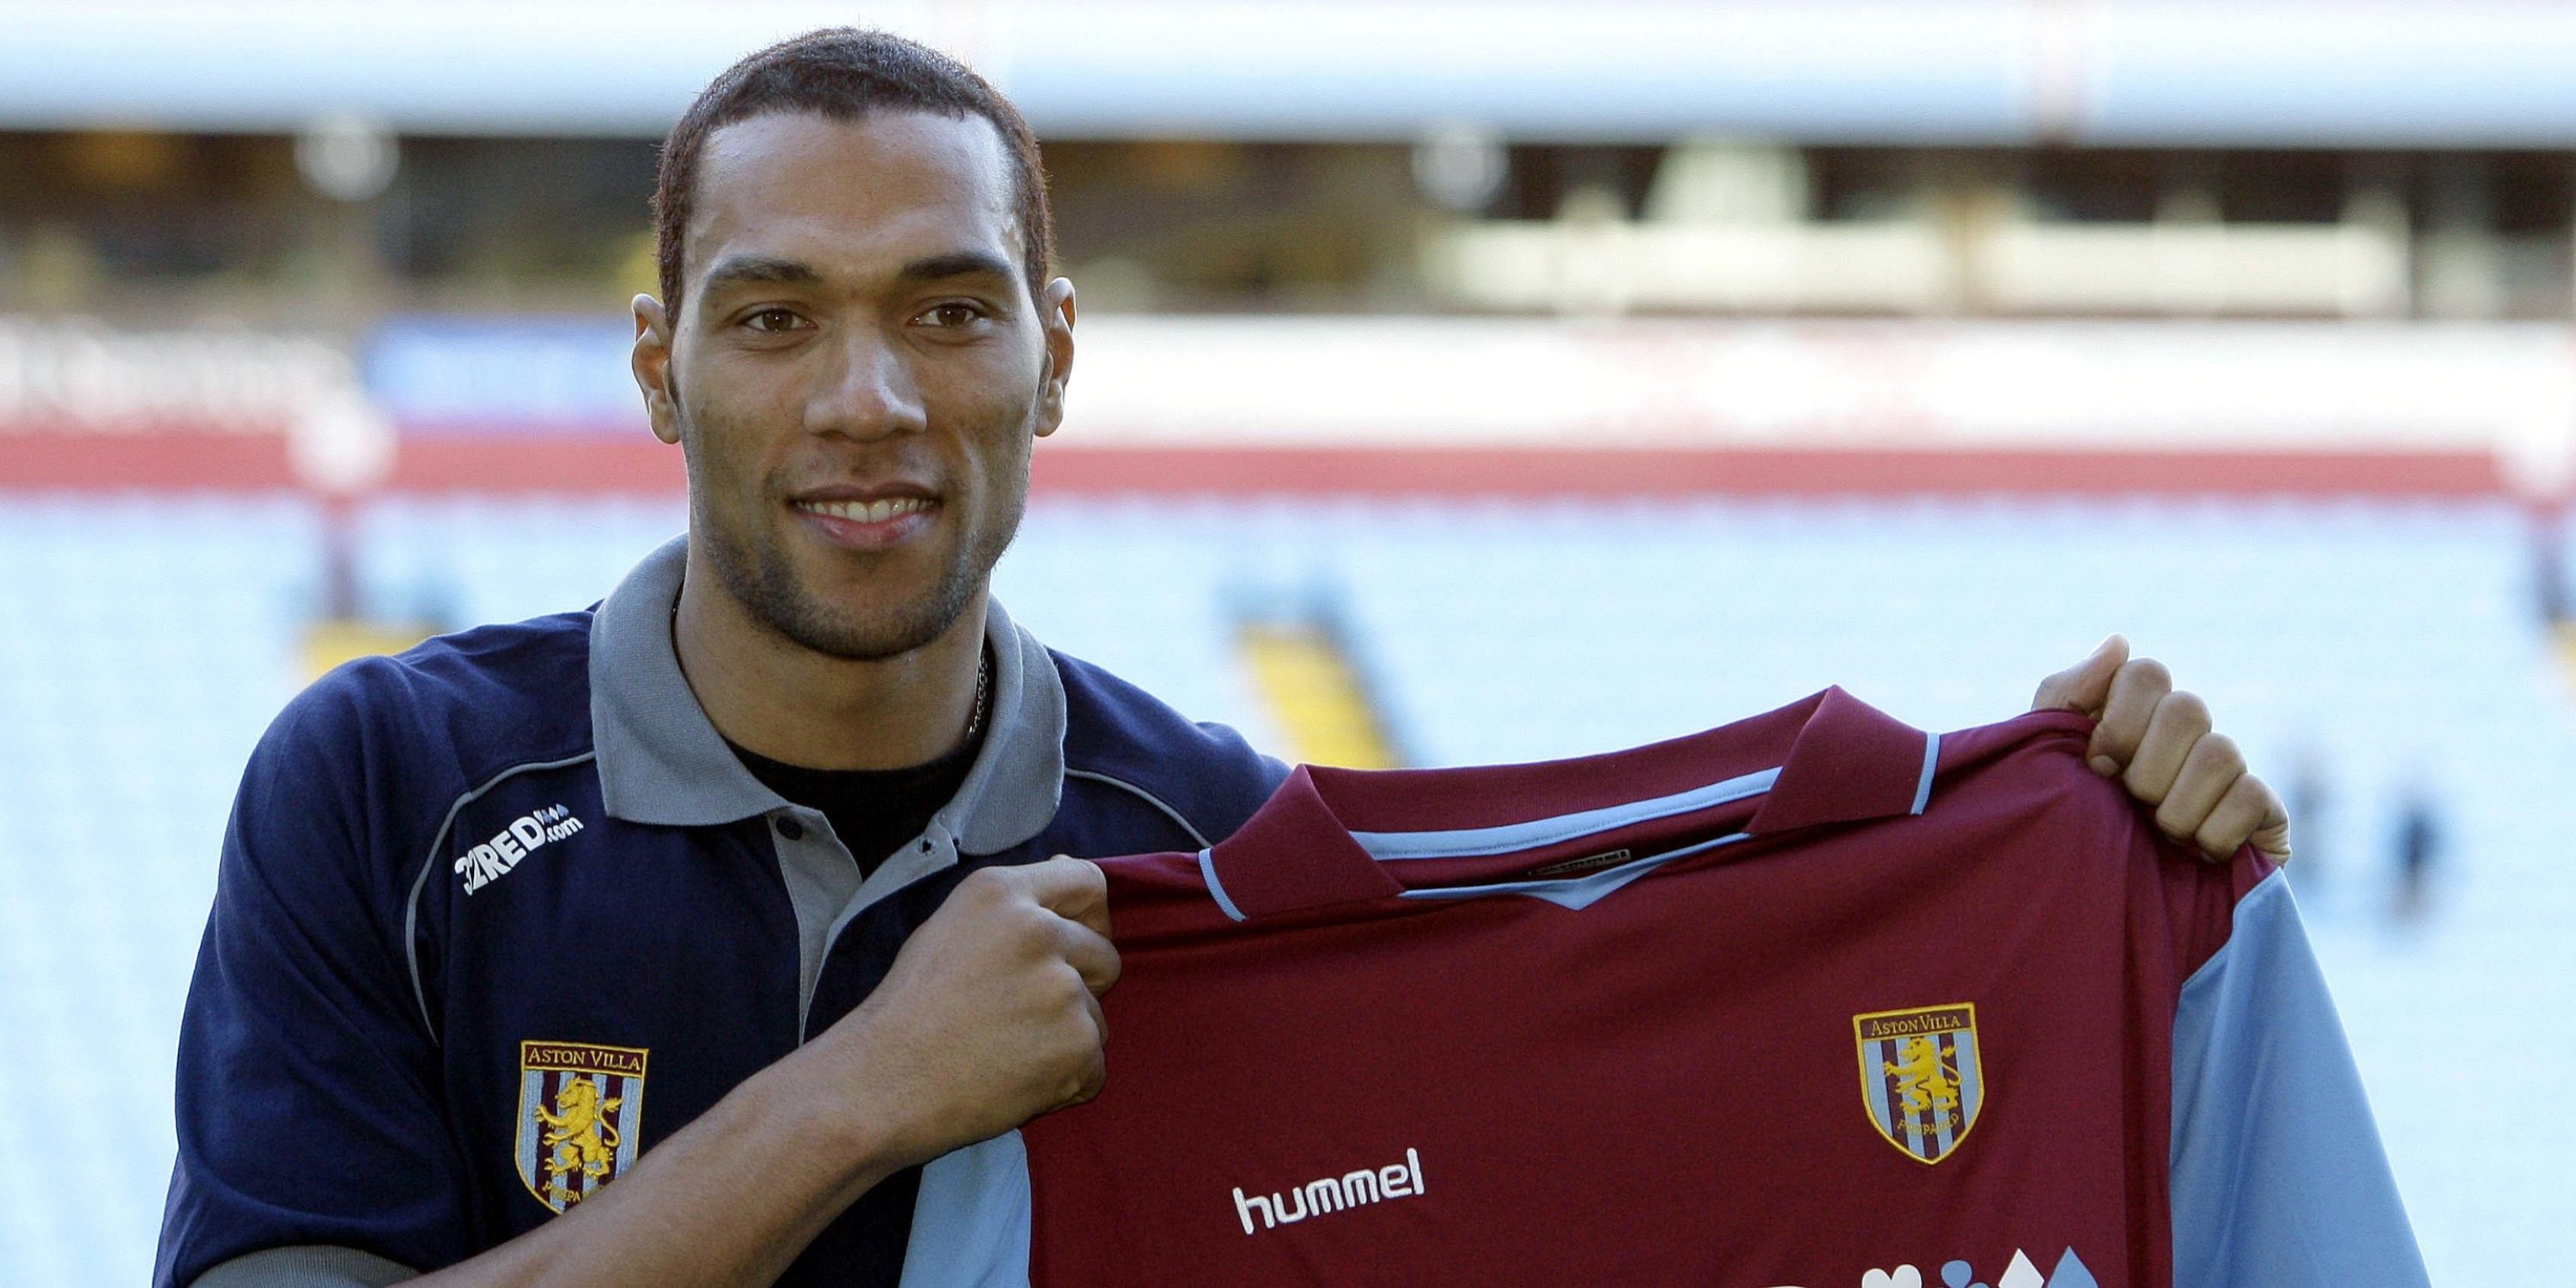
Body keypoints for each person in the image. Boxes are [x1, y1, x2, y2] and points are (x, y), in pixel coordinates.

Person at [155, 29, 2293, 1288]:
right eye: (778, 315)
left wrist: (2096, 846)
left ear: (1054, 359)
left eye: (951, 309)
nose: (872, 401)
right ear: (661, 370)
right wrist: (859, 1102)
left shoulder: (1223, 859)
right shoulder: (386, 789)